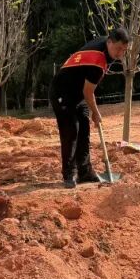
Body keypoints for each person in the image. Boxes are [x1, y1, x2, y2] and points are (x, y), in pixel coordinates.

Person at [50, 28, 130, 189]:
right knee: (71, 131)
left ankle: (84, 171)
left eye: (124, 50)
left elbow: (85, 91)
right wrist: (96, 112)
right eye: (118, 48)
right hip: (62, 92)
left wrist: (91, 111)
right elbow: (89, 92)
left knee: (84, 130)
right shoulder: (98, 61)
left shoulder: (105, 44)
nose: (121, 53)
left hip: (76, 93)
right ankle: (68, 174)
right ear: (109, 42)